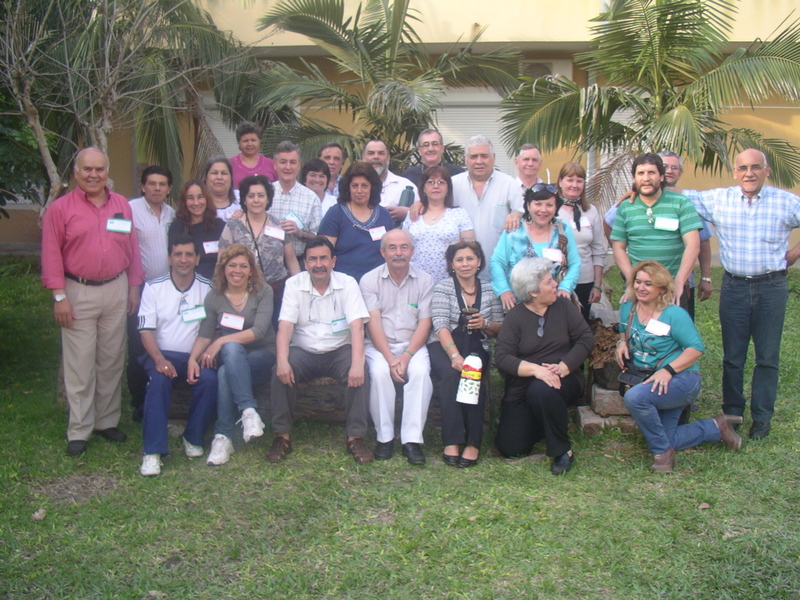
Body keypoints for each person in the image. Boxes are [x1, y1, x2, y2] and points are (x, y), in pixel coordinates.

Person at [680, 148, 800, 440]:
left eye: (756, 167)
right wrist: (633, 190)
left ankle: (761, 418)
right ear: (735, 172)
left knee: (767, 357)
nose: (749, 173)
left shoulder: (785, 202)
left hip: (771, 287)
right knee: (733, 357)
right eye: (743, 168)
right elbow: (675, 195)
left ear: (766, 170)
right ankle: (732, 413)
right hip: (733, 287)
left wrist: (794, 254)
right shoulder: (719, 199)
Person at [41, 147, 144, 456]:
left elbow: (132, 247)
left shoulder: (121, 205)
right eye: (87, 169)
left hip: (116, 288)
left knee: (111, 359)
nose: (94, 175)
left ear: (106, 171)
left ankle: (106, 421)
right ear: (76, 172)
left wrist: (134, 286)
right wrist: (59, 296)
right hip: (78, 291)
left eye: (99, 169)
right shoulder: (60, 209)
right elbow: (50, 255)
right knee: (80, 362)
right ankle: (80, 429)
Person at [616, 261, 742, 472]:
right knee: (667, 436)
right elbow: (623, 330)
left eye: (649, 284)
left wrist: (668, 370)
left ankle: (662, 454)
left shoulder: (674, 314)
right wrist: (621, 341)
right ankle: (716, 427)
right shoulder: (628, 307)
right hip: (651, 378)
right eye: (638, 282)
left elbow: (696, 348)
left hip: (681, 379)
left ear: (662, 289)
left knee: (635, 398)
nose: (641, 288)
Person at [267, 237, 374, 464]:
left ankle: (356, 437)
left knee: (360, 370)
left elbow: (357, 325)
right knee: (280, 369)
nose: (318, 264)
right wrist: (283, 360)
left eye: (324, 258)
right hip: (304, 350)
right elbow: (285, 326)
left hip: (339, 349)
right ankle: (282, 436)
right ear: (305, 263)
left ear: (333, 261)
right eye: (312, 259)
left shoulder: (348, 283)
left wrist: (357, 363)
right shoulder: (294, 284)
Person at [494, 257, 594, 475]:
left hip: (563, 378)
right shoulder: (515, 317)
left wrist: (564, 367)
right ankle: (545, 422)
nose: (555, 285)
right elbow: (502, 357)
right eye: (549, 282)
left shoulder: (564, 307)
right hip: (524, 385)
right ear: (533, 292)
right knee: (511, 447)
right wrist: (536, 370)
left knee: (543, 389)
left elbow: (586, 339)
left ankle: (562, 449)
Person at [189, 244, 277, 466]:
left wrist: (221, 340)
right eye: (232, 265)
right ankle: (245, 417)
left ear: (251, 270)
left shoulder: (263, 291)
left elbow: (259, 331)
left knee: (228, 352)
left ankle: (224, 433)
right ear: (223, 268)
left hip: (263, 354)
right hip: (233, 358)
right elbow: (205, 333)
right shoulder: (215, 297)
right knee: (226, 368)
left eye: (243, 266)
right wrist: (192, 358)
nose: (237, 270)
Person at [138, 236, 216, 476]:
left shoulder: (208, 288)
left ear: (197, 259)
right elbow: (146, 330)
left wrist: (199, 356)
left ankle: (192, 437)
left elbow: (211, 329)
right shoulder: (153, 287)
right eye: (178, 255)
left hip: (195, 355)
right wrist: (160, 360)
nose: (184, 260)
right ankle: (152, 451)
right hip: (162, 355)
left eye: (189, 255)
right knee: (159, 381)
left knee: (211, 380)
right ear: (169, 259)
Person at [604, 150, 714, 320]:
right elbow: (618, 246)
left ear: (662, 176)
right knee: (638, 338)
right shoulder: (626, 207)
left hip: (671, 288)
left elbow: (693, 244)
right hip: (639, 289)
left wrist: (678, 282)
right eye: (641, 173)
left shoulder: (681, 203)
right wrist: (631, 280)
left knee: (673, 340)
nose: (646, 178)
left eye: (651, 173)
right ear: (634, 179)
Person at [360, 230, 435, 465]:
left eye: (404, 247)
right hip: (378, 345)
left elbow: (425, 323)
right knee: (380, 373)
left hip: (413, 344)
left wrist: (406, 355)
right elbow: (373, 324)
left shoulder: (425, 280)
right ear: (383, 252)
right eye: (392, 248)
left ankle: (411, 440)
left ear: (412, 251)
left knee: (421, 373)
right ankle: (385, 437)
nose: (398, 253)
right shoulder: (368, 280)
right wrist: (391, 359)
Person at [429, 240, 503, 467]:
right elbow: (440, 325)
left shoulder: (490, 290)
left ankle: (473, 442)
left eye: (470, 258)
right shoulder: (443, 287)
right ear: (451, 264)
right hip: (445, 344)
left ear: (479, 262)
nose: (465, 264)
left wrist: (485, 323)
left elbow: (500, 326)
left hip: (476, 344)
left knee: (473, 374)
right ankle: (451, 440)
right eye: (459, 260)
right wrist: (454, 356)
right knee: (451, 376)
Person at [219, 174, 301, 328]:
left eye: (261, 195)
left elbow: (291, 260)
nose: (256, 200)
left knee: (277, 337)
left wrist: (299, 289)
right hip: (243, 294)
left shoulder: (279, 226)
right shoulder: (232, 227)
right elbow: (221, 262)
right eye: (251, 196)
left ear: (268, 199)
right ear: (244, 199)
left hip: (277, 293)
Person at [127, 165, 176, 421]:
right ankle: (139, 403)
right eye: (152, 183)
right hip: (140, 288)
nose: (157, 188)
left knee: (161, 340)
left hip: (167, 289)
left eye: (162, 184)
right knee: (138, 346)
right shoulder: (130, 210)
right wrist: (132, 287)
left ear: (168, 189)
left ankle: (162, 393)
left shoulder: (171, 213)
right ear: (143, 186)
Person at [490, 184, 580, 311]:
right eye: (538, 204)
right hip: (518, 305)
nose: (543, 210)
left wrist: (565, 287)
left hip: (554, 303)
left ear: (556, 208)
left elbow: (575, 263)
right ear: (528, 205)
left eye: (549, 205)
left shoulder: (563, 229)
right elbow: (497, 262)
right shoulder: (514, 230)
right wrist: (503, 290)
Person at [450, 135, 524, 276]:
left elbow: (524, 218)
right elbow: (435, 208)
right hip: (462, 272)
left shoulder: (508, 184)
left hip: (500, 271)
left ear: (493, 158)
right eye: (473, 157)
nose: (479, 161)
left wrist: (518, 214)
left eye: (484, 156)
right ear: (465, 159)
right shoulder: (453, 185)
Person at [317, 161, 395, 281]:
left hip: (379, 283)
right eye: (354, 186)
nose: (359, 190)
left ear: (372, 187)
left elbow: (391, 250)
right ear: (348, 187)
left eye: (364, 185)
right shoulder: (335, 213)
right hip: (344, 284)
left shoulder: (384, 215)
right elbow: (323, 253)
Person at [401, 166, 474, 282]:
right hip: (415, 281)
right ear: (423, 188)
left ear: (448, 188)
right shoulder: (413, 214)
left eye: (441, 182)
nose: (436, 186)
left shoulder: (459, 214)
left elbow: (470, 248)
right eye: (430, 182)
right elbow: (403, 245)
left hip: (450, 282)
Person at [556, 162, 606, 321]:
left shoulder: (591, 211)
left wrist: (597, 285)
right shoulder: (550, 209)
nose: (574, 185)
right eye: (570, 180)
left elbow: (598, 250)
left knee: (580, 326)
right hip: (557, 280)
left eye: (579, 180)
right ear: (560, 182)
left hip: (585, 280)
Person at [269, 141, 323, 261]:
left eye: (292, 162)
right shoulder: (265, 194)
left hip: (300, 261)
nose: (288, 167)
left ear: (299, 165)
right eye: (283, 162)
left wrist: (300, 233)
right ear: (274, 164)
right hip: (268, 263)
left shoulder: (311, 198)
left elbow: (319, 238)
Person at [168, 179, 226, 280]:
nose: (196, 203)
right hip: (187, 285)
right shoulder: (177, 226)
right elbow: (174, 260)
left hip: (216, 287)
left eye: (200, 197)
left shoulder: (220, 226)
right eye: (190, 198)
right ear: (184, 201)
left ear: (207, 199)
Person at [362, 140, 419, 223]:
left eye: (381, 153)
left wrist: (408, 213)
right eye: (371, 153)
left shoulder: (405, 185)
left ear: (388, 158)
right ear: (363, 158)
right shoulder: (354, 187)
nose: (376, 157)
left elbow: (423, 215)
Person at [229, 121, 278, 187]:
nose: (250, 144)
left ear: (259, 141)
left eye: (253, 140)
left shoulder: (271, 164)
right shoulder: (229, 164)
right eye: (245, 141)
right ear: (238, 142)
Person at [202, 156, 241, 221]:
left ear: (231, 178)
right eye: (214, 173)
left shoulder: (242, 198)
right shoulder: (197, 201)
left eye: (224, 173)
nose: (219, 177)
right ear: (206, 178)